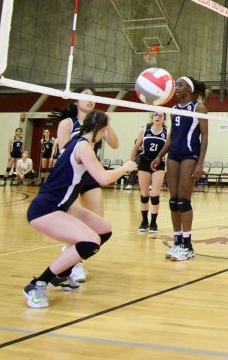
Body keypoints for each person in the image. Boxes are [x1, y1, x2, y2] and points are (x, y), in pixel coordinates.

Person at [22, 110, 136, 308]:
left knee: (103, 230)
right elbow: (103, 179)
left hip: (61, 206)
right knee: (90, 242)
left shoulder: (79, 141)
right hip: (46, 209)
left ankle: (64, 274)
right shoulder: (83, 147)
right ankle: (38, 284)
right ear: (102, 130)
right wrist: (125, 168)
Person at [54, 87, 120, 282]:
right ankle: (75, 265)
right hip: (71, 177)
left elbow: (115, 145)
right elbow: (63, 153)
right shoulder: (67, 123)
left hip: (91, 175)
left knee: (96, 224)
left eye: (93, 97)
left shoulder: (97, 123)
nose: (91, 100)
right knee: (73, 223)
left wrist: (108, 124)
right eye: (86, 96)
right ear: (76, 101)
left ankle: (70, 253)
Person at [152, 76, 208, 261]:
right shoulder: (174, 109)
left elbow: (205, 137)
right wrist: (160, 155)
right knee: (173, 201)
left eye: (180, 85)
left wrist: (200, 163)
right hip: (173, 155)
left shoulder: (199, 108)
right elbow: (171, 136)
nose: (176, 87)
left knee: (184, 200)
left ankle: (188, 245)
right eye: (175, 84)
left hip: (190, 155)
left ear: (190, 89)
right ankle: (177, 242)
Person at [129, 111, 168, 234]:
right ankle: (144, 221)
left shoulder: (167, 132)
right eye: (156, 115)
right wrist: (129, 161)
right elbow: (136, 147)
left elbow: (169, 148)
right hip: (144, 162)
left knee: (155, 192)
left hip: (158, 163)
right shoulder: (144, 130)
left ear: (164, 119)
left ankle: (153, 222)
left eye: (161, 115)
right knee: (144, 193)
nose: (158, 117)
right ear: (152, 117)